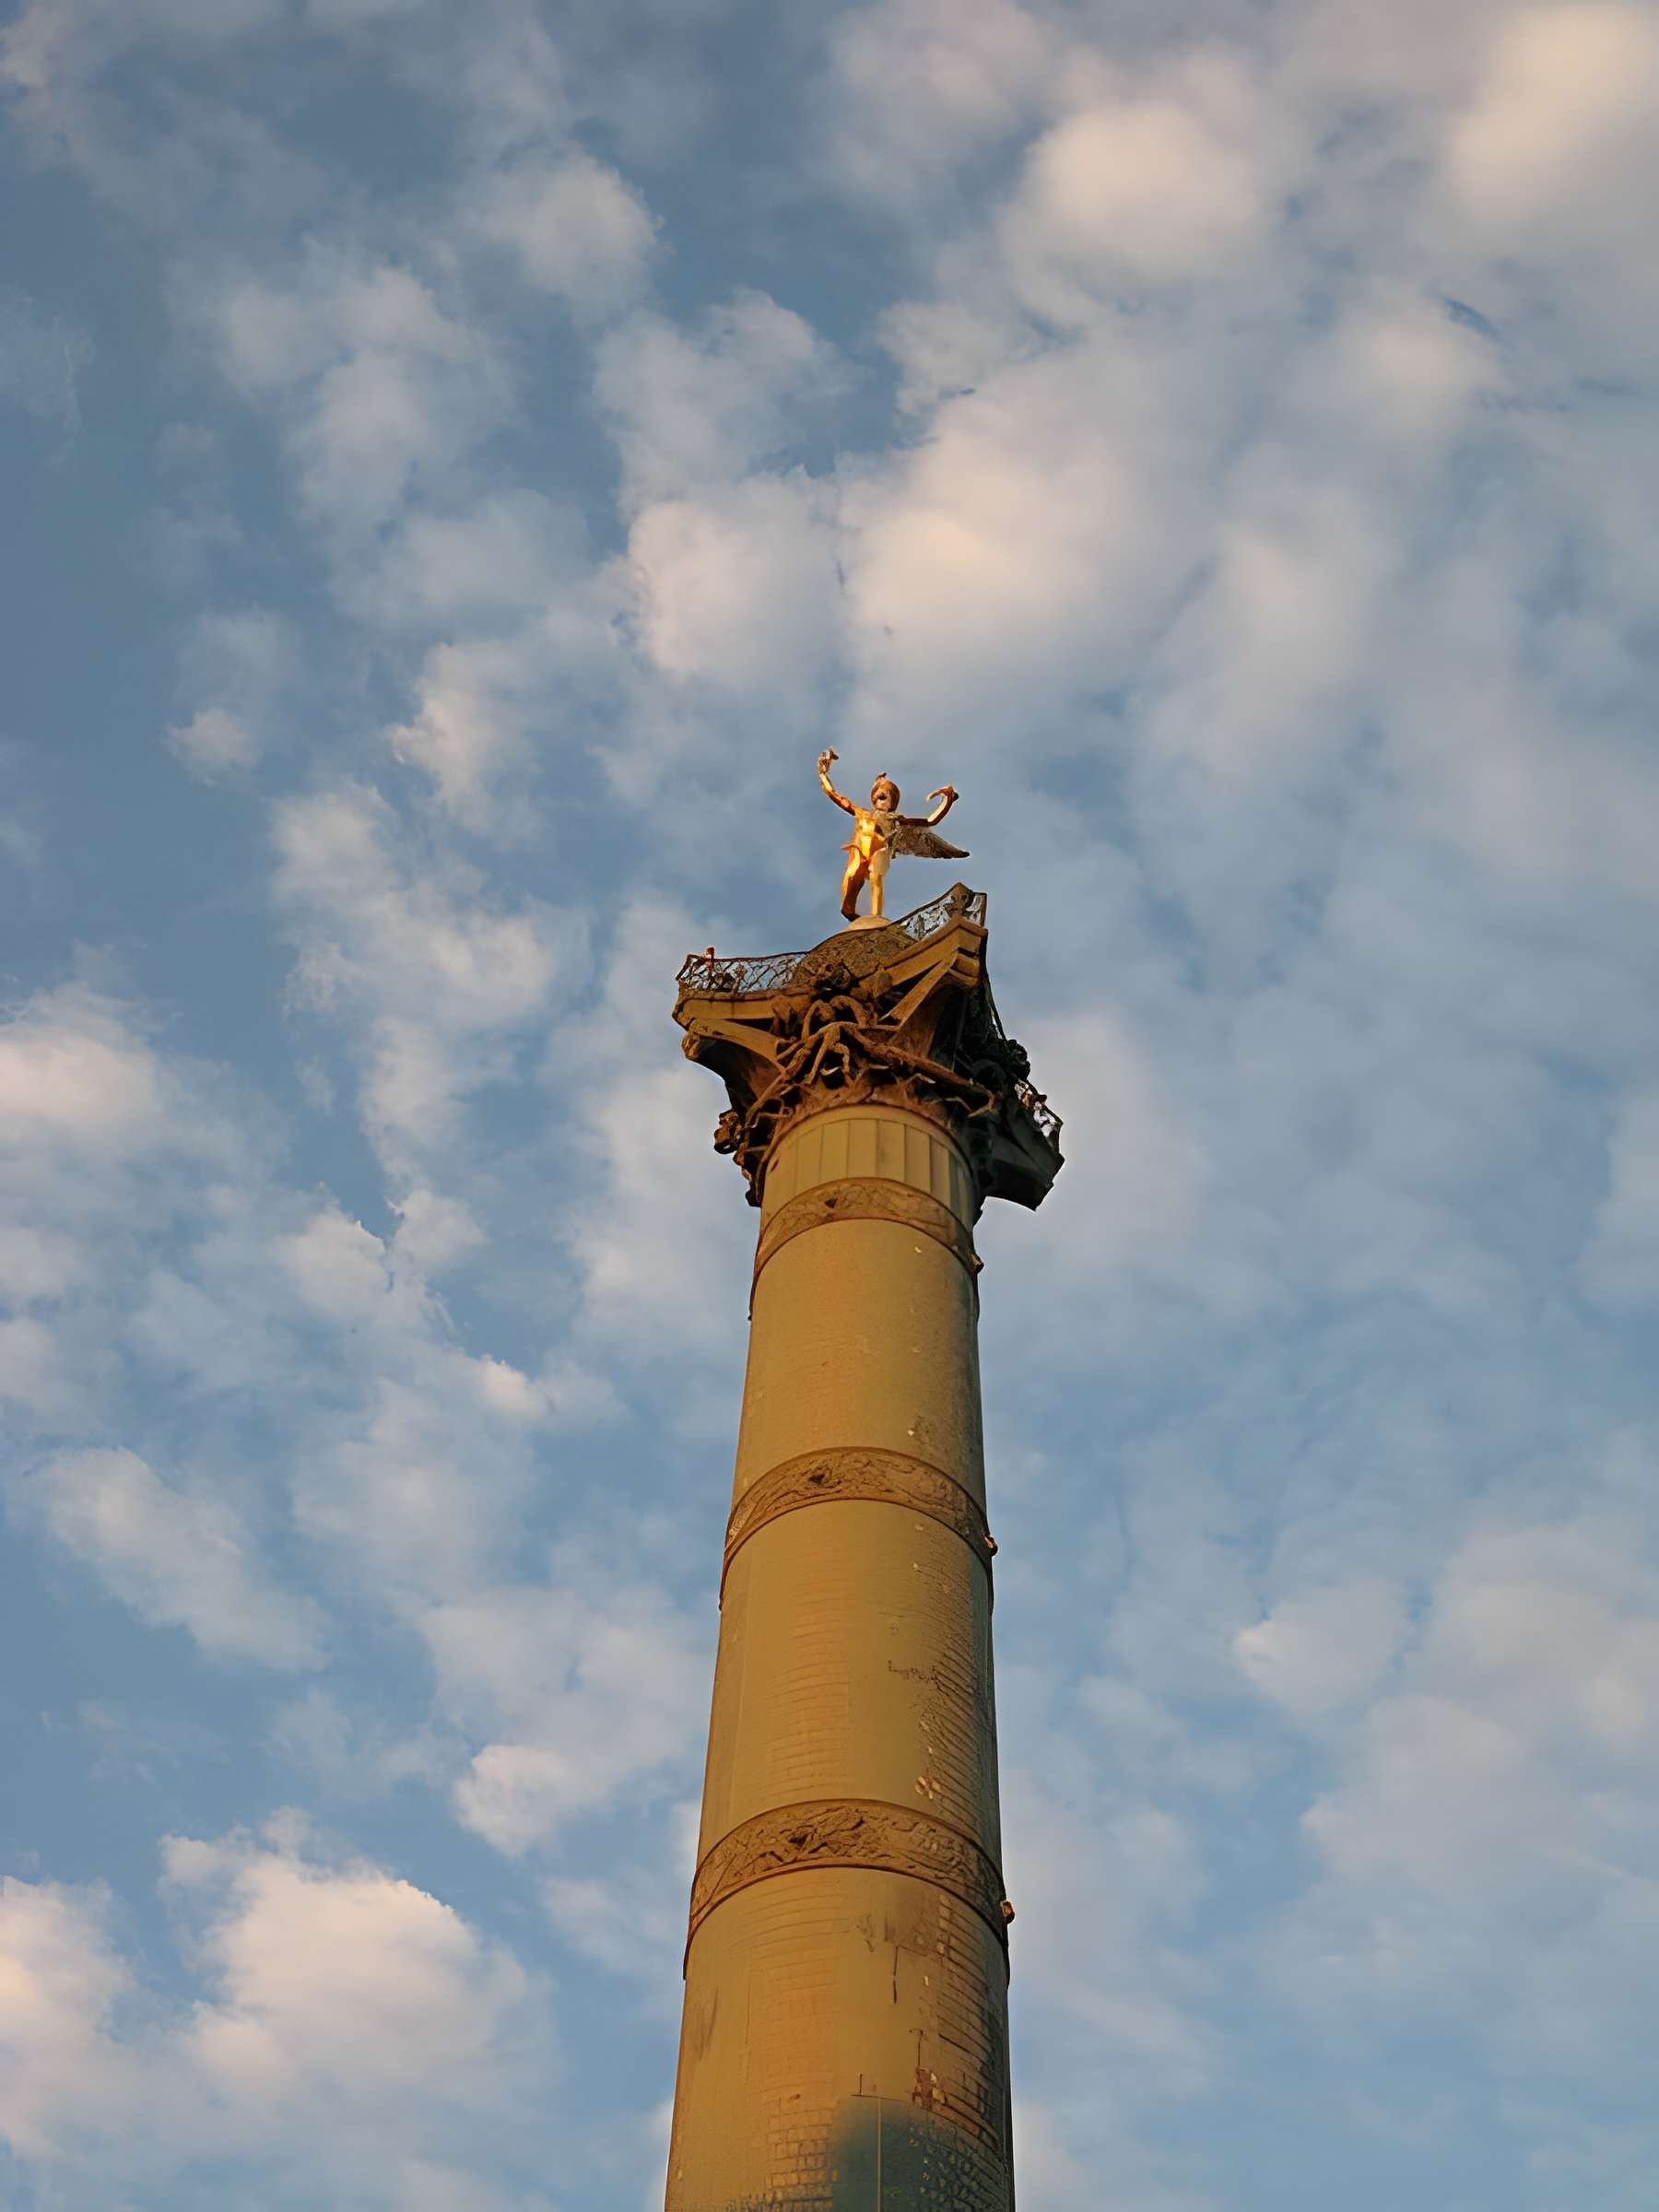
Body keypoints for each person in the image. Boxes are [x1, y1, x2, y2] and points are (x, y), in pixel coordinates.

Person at [816, 749, 967, 922]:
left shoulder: (897, 820)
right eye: (880, 794)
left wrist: (947, 800)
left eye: (888, 795)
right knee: (852, 877)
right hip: (859, 851)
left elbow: (930, 821)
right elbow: (834, 795)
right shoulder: (861, 812)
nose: (883, 797)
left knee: (876, 875)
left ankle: (876, 916)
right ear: (874, 798)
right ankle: (849, 910)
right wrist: (823, 773)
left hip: (881, 850)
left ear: (893, 802)